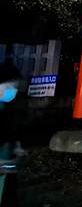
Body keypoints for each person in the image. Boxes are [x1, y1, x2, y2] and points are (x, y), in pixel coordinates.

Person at [0, 63, 23, 206]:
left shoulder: (8, 108)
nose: (12, 91)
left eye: (15, 88)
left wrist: (16, 147)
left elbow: (11, 132)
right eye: (9, 87)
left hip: (6, 167)